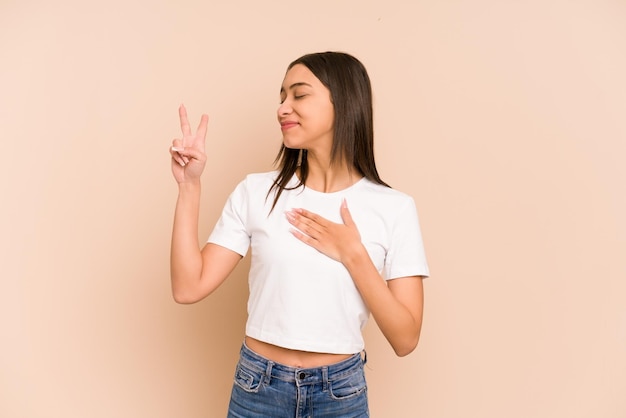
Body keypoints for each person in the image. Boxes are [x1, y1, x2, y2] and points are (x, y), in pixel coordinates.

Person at [169, 51, 429, 418]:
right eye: (281, 97)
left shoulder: (394, 208)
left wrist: (353, 255)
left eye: (299, 94)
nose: (282, 108)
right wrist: (189, 187)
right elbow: (187, 287)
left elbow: (406, 338)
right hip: (257, 387)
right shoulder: (256, 192)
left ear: (344, 102)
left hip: (340, 395)